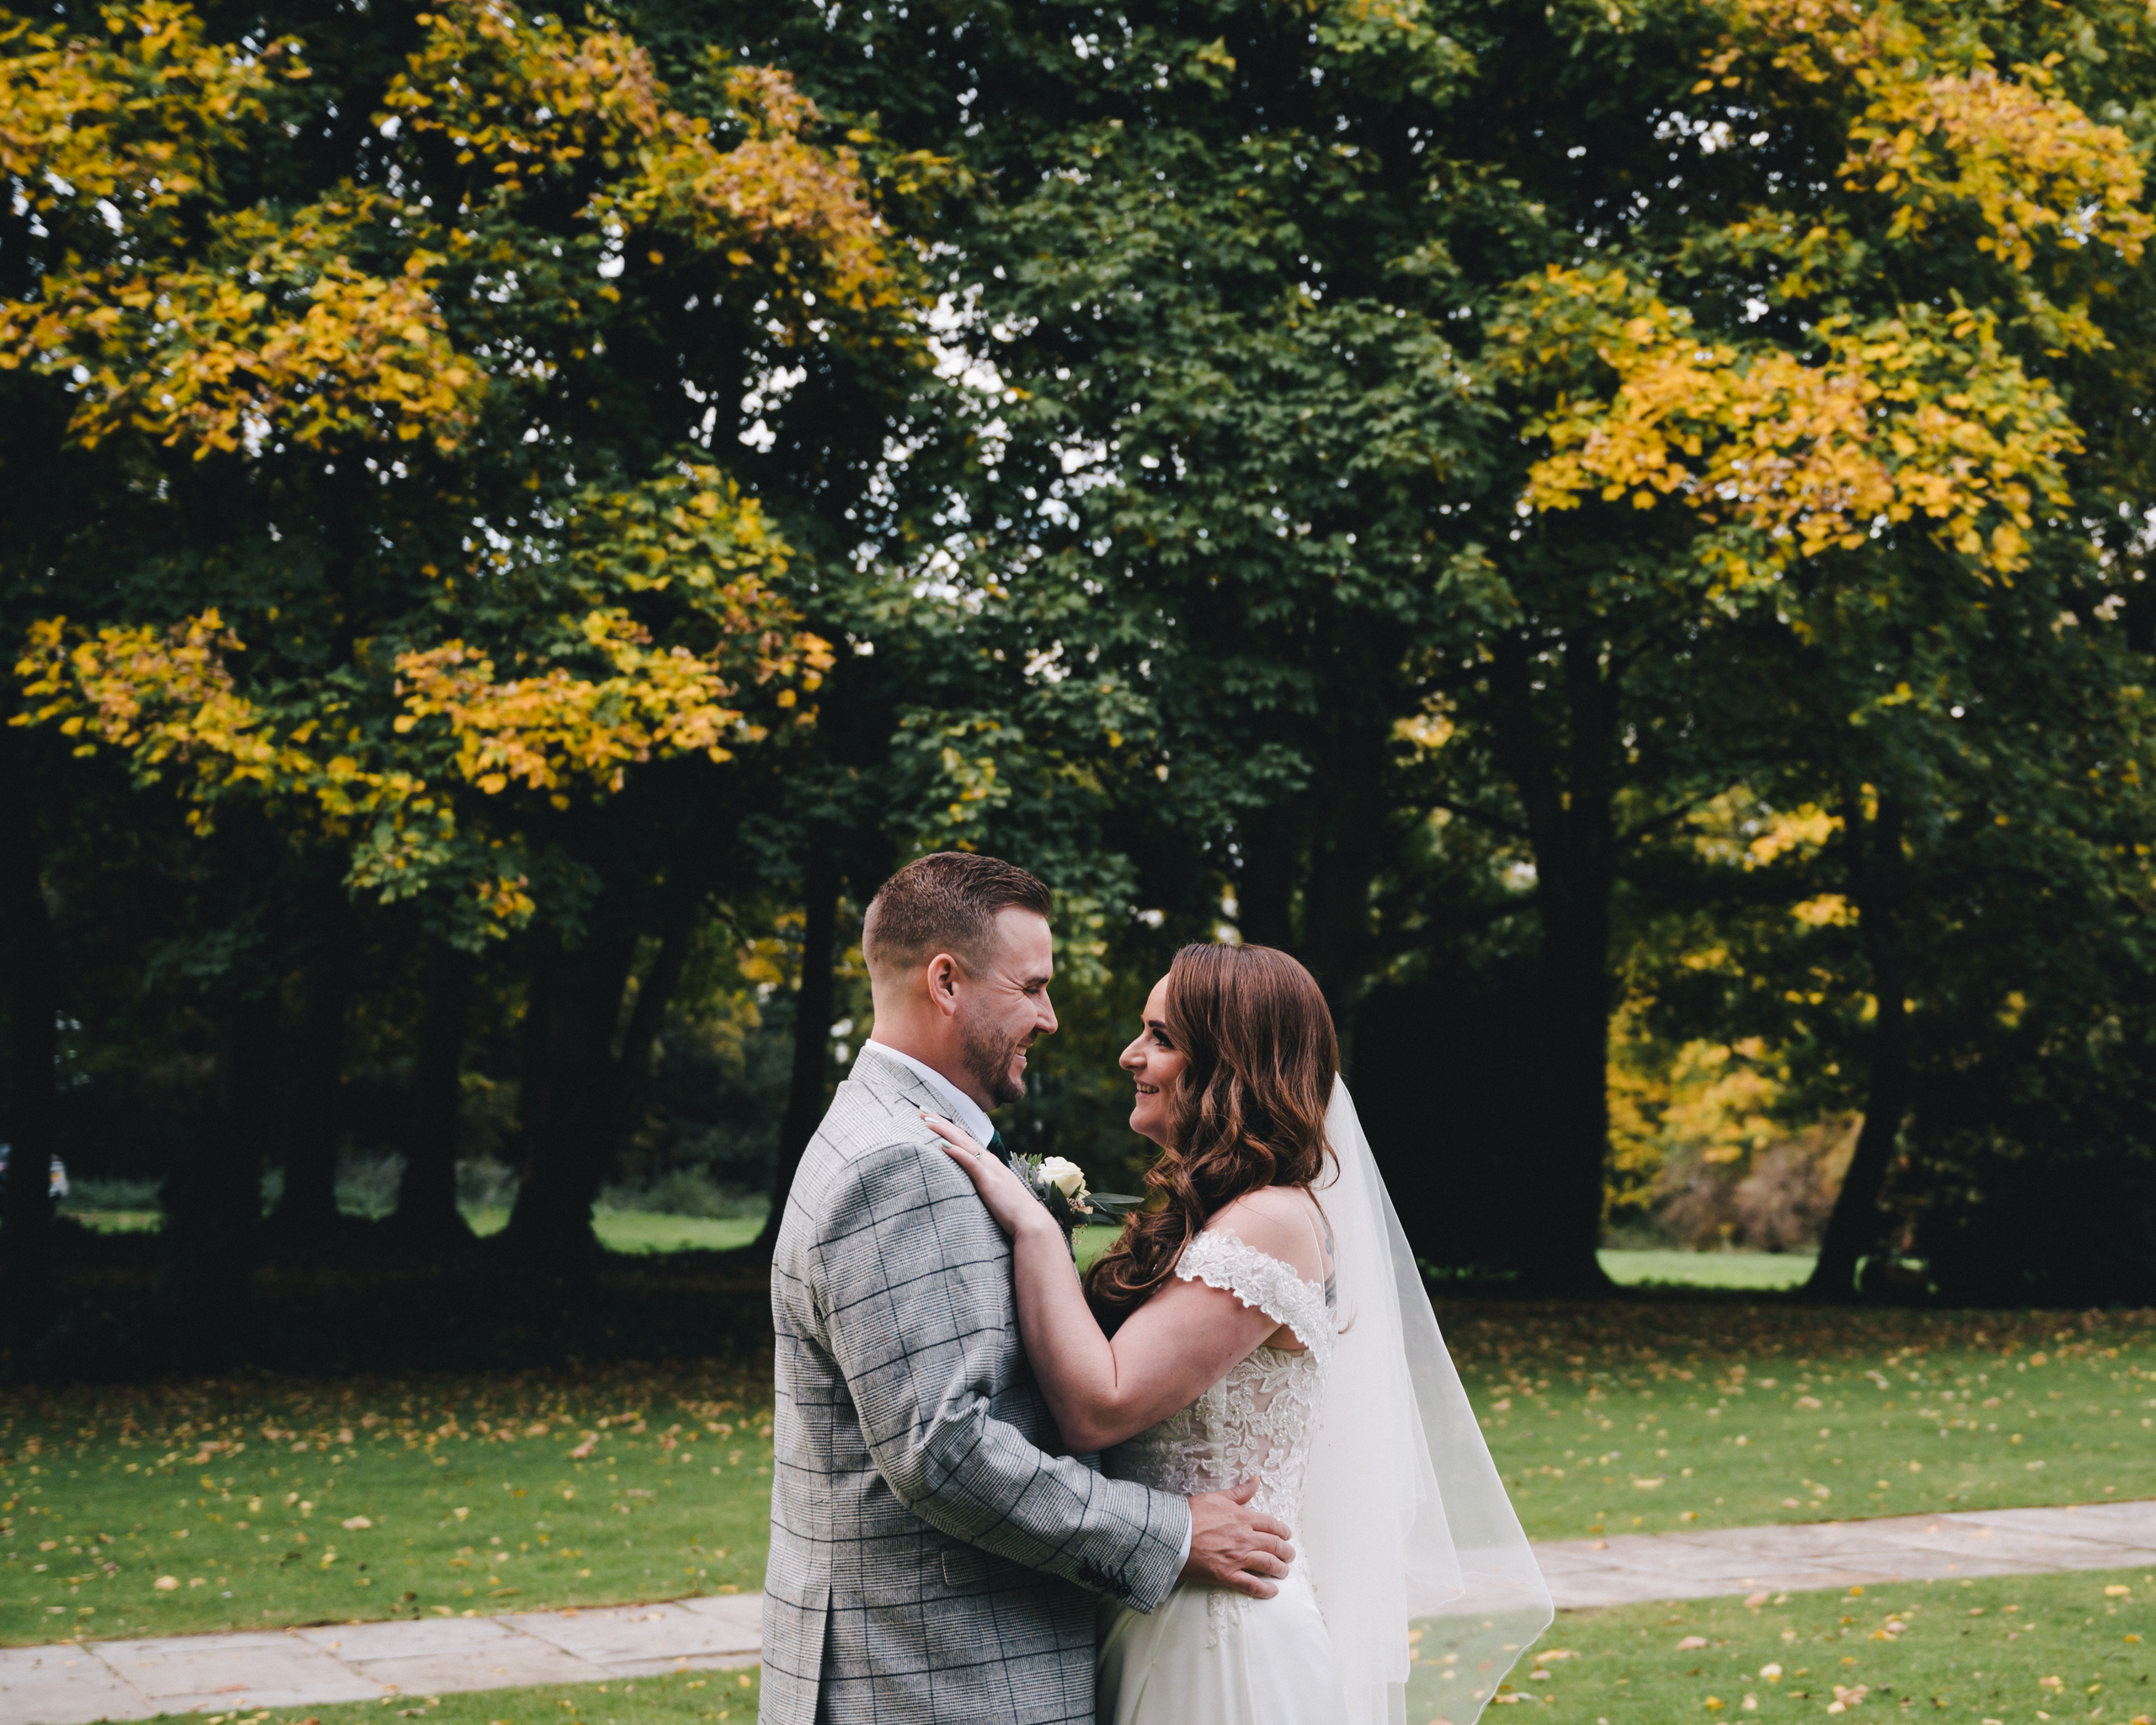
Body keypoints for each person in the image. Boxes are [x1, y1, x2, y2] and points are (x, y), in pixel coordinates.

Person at [926, 942, 1552, 1725]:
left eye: (1161, 1037)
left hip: (1221, 1639)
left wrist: (1036, 1229)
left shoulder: (1269, 1222)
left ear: (1232, 1064)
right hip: (1161, 1605)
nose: (1131, 1055)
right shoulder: (1222, 1215)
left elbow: (1101, 1404)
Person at [760, 854, 1300, 1725]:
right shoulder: (904, 1164)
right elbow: (948, 1448)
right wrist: (1169, 1532)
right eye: (1034, 986)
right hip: (932, 1677)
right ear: (946, 981)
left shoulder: (891, 1134)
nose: (1050, 1017)